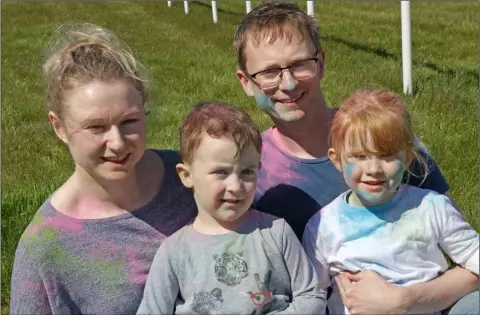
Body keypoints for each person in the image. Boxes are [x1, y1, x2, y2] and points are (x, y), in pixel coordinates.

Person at [233, 1, 479, 314]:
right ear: (245, 81)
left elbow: (467, 264)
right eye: (269, 72)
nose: (289, 83)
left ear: (321, 62)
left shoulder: (388, 140)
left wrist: (405, 301)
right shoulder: (247, 173)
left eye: (300, 64)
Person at [9, 23, 197, 314]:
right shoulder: (46, 249)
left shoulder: (187, 178)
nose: (117, 143)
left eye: (129, 122)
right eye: (95, 127)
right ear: (59, 127)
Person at [136, 101, 326, 315]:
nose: (235, 187)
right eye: (221, 172)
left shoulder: (276, 233)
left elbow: (312, 297)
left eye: (247, 172)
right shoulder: (174, 251)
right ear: (187, 175)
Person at [302, 89, 479, 315]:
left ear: (407, 157)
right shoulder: (323, 226)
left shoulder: (430, 207)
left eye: (386, 155)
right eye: (360, 156)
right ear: (337, 159)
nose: (374, 169)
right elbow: (309, 293)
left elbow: (474, 255)